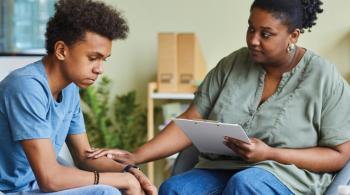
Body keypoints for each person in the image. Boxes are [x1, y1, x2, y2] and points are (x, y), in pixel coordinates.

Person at [87, 0, 350, 194]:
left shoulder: (323, 77)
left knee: (246, 184)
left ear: (293, 35)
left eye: (265, 34)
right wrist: (136, 156)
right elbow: (191, 120)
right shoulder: (232, 64)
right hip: (222, 168)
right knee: (175, 189)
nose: (253, 40)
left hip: (289, 178)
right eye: (250, 29)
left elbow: (339, 155)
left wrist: (270, 153)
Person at [0, 0, 157, 194]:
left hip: (35, 184)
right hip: (9, 189)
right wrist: (121, 180)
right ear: (61, 50)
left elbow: (83, 156)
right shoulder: (25, 86)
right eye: (93, 58)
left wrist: (131, 171)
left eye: (103, 59)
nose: (100, 69)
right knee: (107, 192)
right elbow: (50, 179)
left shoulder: (70, 89)